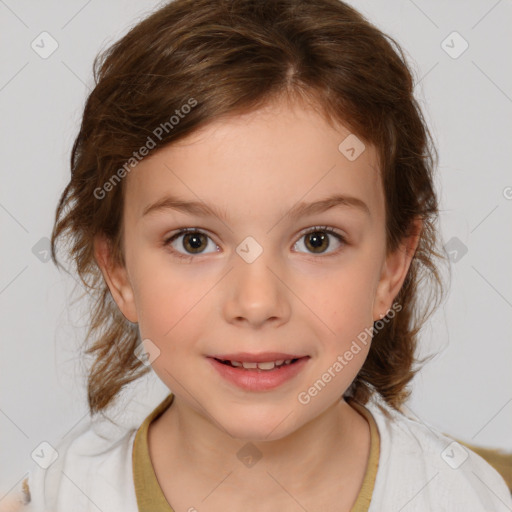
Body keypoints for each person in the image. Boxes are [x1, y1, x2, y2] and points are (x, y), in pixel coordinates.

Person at [4, 0, 511, 510]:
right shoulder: (59, 497)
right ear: (119, 273)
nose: (257, 302)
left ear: (391, 267)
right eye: (193, 241)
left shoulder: (464, 497)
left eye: (317, 240)